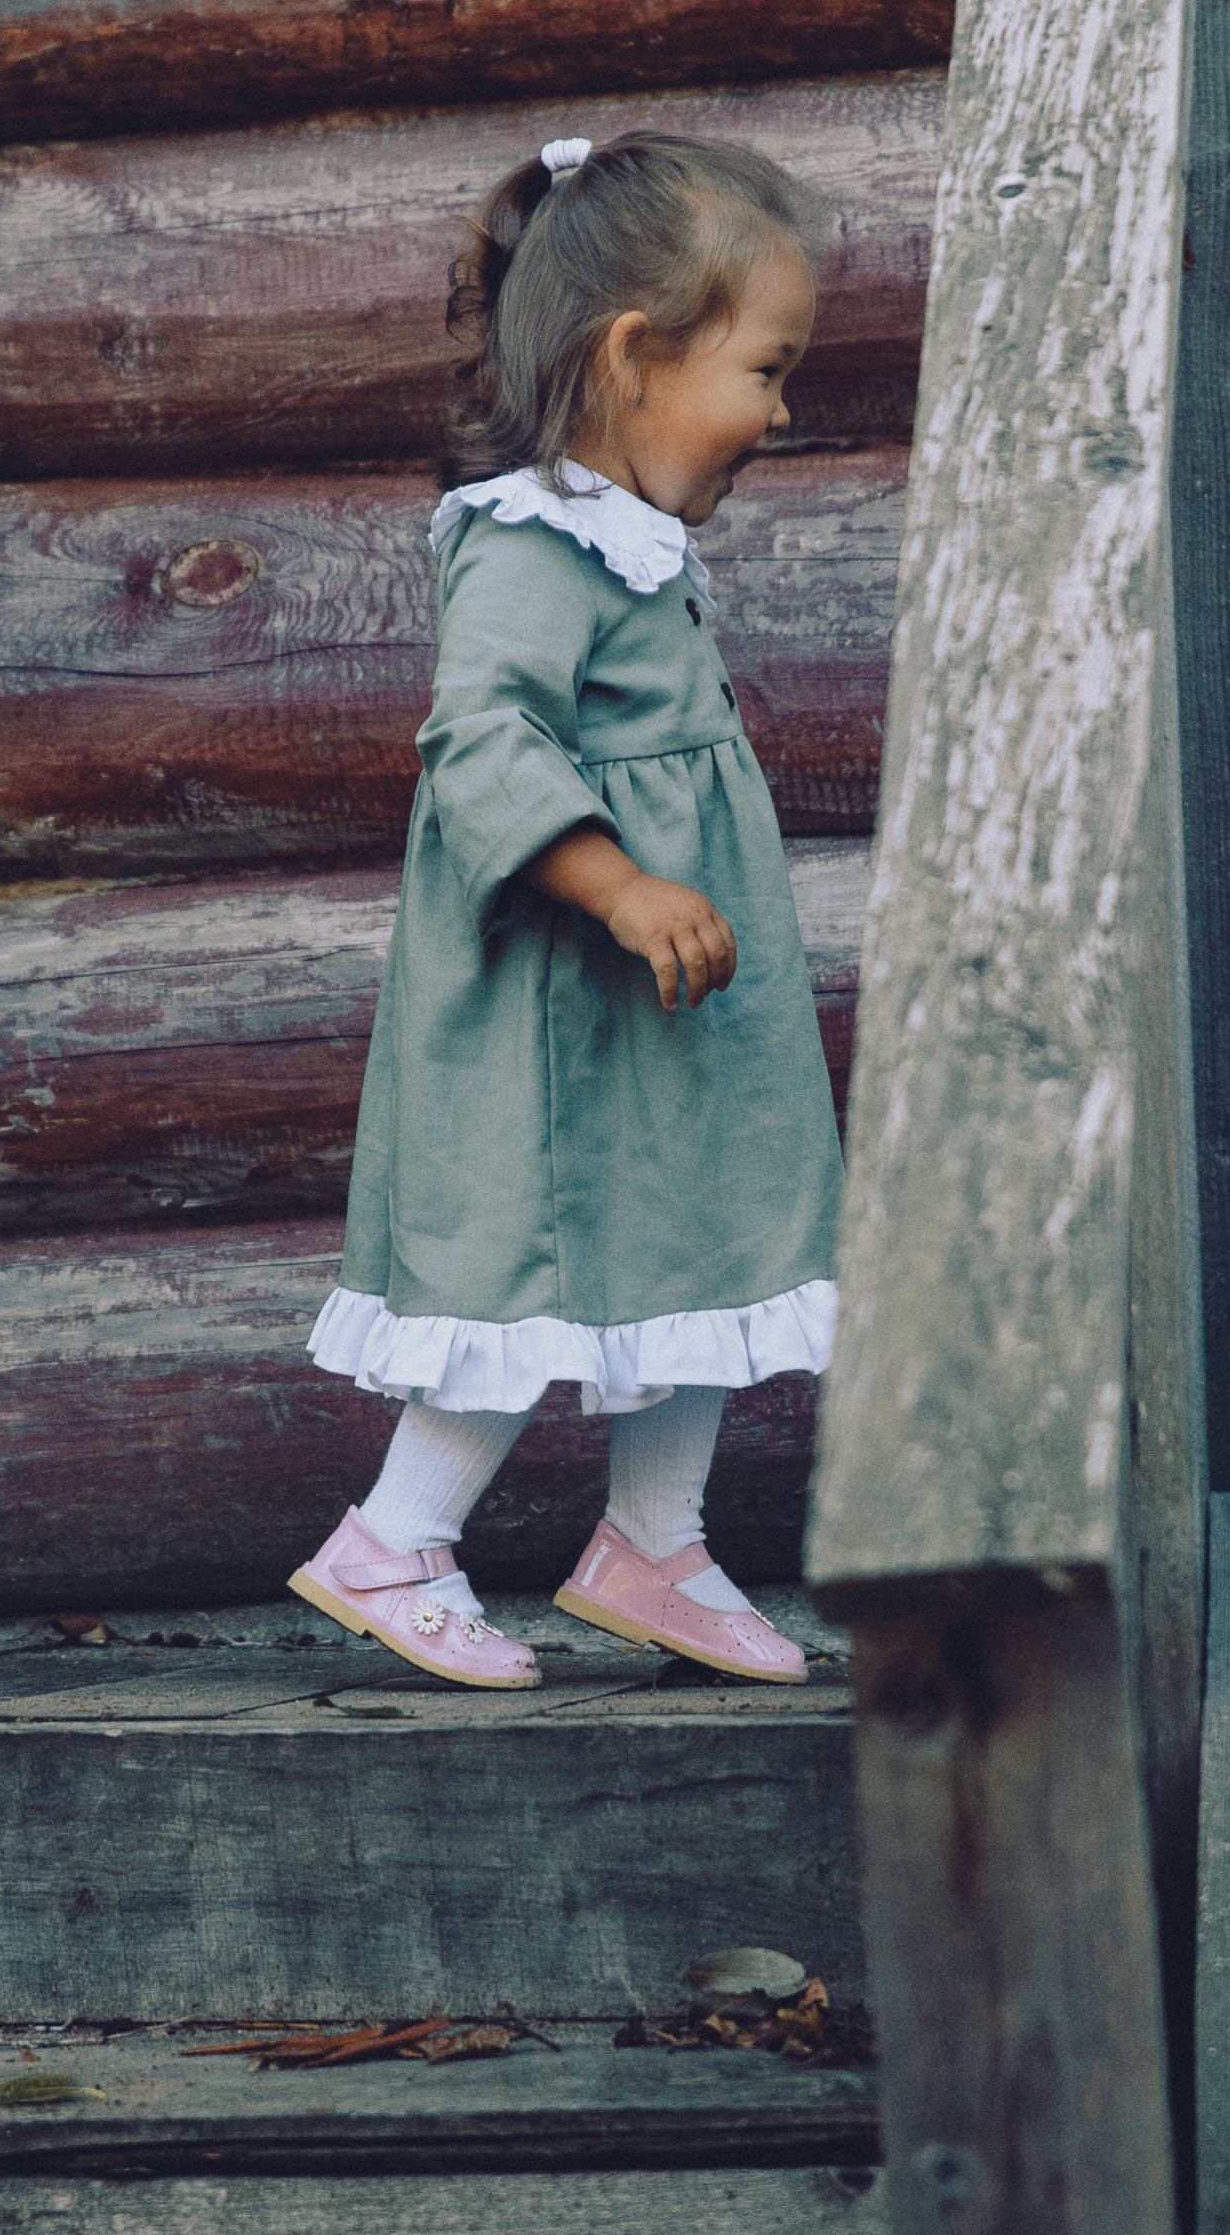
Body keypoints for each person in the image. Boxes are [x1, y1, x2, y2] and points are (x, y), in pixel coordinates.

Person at [290, 128, 843, 1689]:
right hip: (557, 1006)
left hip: (661, 1010)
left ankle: (654, 1547)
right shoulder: (528, 537)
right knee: (522, 1267)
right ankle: (391, 1541)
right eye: (765, 368)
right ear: (630, 359)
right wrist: (612, 882)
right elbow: (480, 739)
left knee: (705, 1236)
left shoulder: (633, 543)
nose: (782, 412)